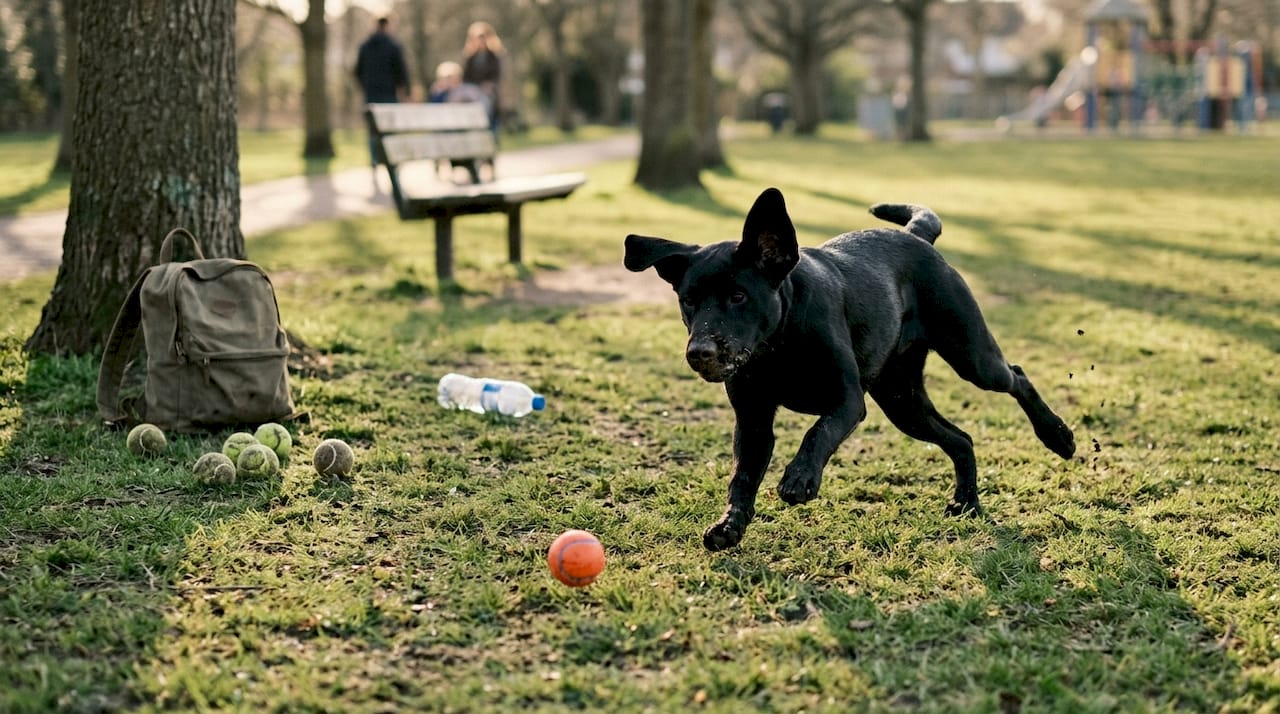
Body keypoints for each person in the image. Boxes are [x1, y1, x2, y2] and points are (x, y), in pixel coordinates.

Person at [355, 17, 410, 176]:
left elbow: (357, 71)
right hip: (388, 93)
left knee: (373, 131)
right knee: (390, 130)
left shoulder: (365, 46)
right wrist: (405, 91)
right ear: (387, 26)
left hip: (371, 94)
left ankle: (374, 160)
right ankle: (392, 160)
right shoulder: (393, 45)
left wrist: (365, 86)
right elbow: (401, 71)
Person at [461, 21, 504, 136]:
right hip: (473, 91)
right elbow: (465, 78)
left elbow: (496, 76)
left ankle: (486, 130)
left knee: (486, 104)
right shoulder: (470, 58)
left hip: (488, 92)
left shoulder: (493, 57)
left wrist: (489, 85)